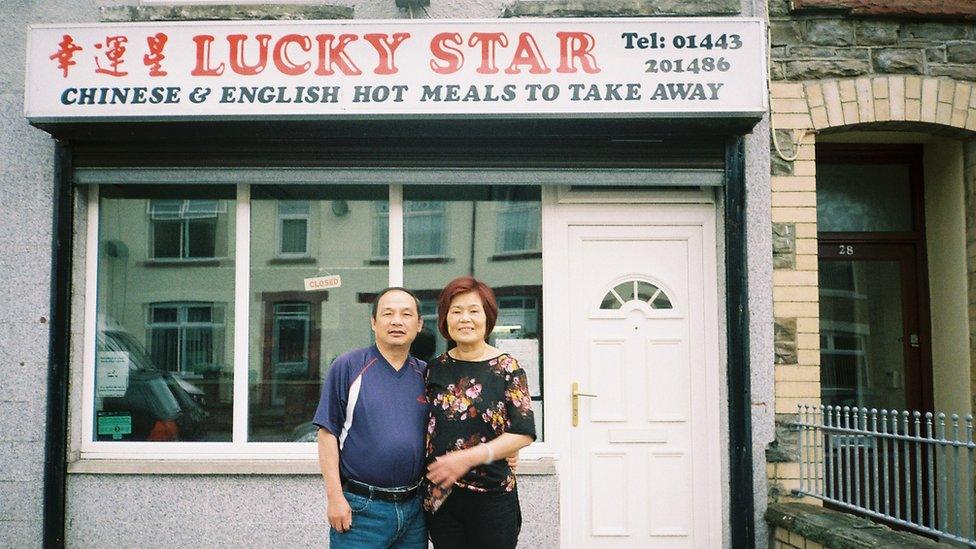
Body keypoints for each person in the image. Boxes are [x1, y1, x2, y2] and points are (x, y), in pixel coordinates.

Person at [424, 276, 536, 549]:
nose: (465, 319)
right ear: (445, 319)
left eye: (474, 311)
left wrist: (474, 456)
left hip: (493, 497)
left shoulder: (508, 368)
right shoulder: (434, 368)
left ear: (488, 318)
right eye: (456, 311)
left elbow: (523, 431)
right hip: (442, 498)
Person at [312, 287, 429, 549]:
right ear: (374, 322)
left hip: (414, 510)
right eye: (388, 313)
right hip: (362, 510)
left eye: (406, 314)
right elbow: (327, 434)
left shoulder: (426, 374)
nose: (397, 321)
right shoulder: (348, 366)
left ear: (419, 324)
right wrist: (335, 498)